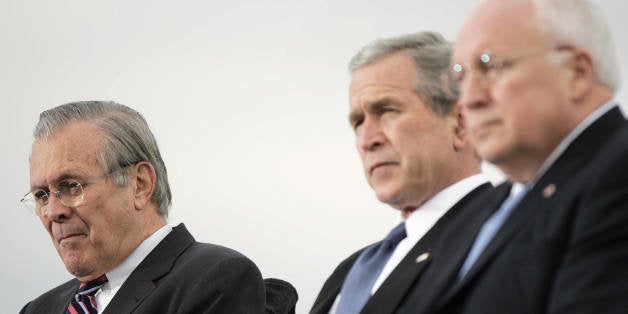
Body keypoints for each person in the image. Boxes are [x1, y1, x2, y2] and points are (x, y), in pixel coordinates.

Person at [398, 0, 628, 313]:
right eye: (460, 76)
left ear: (577, 73)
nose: (468, 99)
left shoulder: (617, 174)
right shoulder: (480, 212)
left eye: (491, 66)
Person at [19, 101, 266, 313]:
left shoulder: (214, 279)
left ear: (140, 185)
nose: (52, 211)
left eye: (72, 186)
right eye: (42, 195)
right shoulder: (38, 309)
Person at [310, 32, 492, 314]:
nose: (367, 139)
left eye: (387, 110)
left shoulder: (513, 230)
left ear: (460, 123)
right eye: (358, 122)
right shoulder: (349, 272)